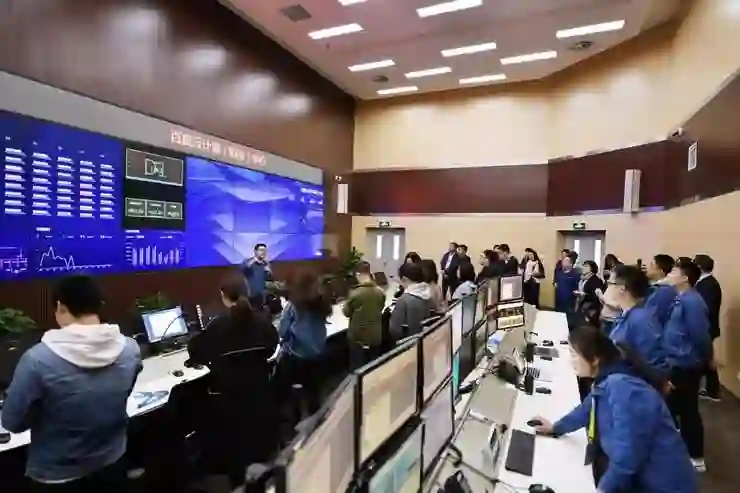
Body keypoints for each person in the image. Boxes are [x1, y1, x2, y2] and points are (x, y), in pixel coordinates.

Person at [1, 275, 141, 491]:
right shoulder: (130, 350)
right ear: (98, 305)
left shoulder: (38, 360)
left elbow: (12, 423)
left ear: (60, 306)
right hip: (112, 464)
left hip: (57, 476)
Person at [531, 325, 698, 493]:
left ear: (595, 358)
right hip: (643, 479)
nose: (570, 361)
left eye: (574, 354)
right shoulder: (607, 380)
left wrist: (603, 489)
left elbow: (628, 456)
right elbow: (587, 409)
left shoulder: (623, 388)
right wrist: (556, 428)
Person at [187, 274, 279, 485]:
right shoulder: (262, 322)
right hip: (260, 398)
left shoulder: (217, 326)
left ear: (223, 295)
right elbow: (272, 347)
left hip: (229, 404)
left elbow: (198, 352)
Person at [663, 258, 711, 471]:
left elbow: (700, 335)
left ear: (684, 278)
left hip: (686, 363)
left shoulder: (693, 301)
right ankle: (676, 449)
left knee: (688, 410)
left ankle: (696, 456)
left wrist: (706, 359)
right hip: (674, 361)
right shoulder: (680, 298)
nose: (669, 274)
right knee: (672, 407)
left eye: (674, 271)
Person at [277, 269, 333, 418]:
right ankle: (316, 420)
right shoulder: (322, 303)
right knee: (314, 392)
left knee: (293, 390)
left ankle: (295, 419)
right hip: (318, 355)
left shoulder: (292, 306)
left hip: (297, 357)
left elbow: (282, 332)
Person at [607, 265, 669, 387]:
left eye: (610, 283)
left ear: (622, 288)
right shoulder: (626, 314)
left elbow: (654, 362)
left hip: (635, 387)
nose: (608, 287)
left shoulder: (641, 319)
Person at [343, 261, 387, 369]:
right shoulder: (380, 292)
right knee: (373, 367)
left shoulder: (355, 294)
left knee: (357, 368)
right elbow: (381, 308)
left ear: (357, 275)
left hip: (358, 338)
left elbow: (346, 312)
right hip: (375, 336)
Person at [693, 254, 722, 401]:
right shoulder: (703, 283)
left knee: (705, 359)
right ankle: (711, 389)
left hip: (706, 327)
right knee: (705, 359)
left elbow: (707, 308)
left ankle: (713, 391)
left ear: (699, 267)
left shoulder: (709, 284)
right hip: (705, 326)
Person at [389, 262, 433, 341]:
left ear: (404, 279)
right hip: (424, 340)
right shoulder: (429, 295)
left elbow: (394, 330)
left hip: (407, 343)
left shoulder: (403, 300)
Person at [644, 254, 677, 327]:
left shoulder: (664, 291)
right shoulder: (657, 287)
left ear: (661, 271)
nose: (647, 268)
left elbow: (654, 316)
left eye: (651, 265)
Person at [241, 243, 272, 307]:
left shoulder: (266, 264)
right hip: (251, 296)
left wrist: (269, 272)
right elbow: (242, 271)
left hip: (263, 297)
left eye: (265, 251)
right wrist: (252, 262)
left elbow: (270, 280)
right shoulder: (248, 262)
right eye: (261, 250)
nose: (263, 252)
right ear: (255, 251)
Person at [575, 260, 605, 325]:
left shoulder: (596, 280)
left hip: (590, 308)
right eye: (583, 266)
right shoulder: (584, 279)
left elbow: (597, 296)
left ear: (592, 268)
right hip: (583, 306)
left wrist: (585, 294)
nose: (583, 268)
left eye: (586, 266)